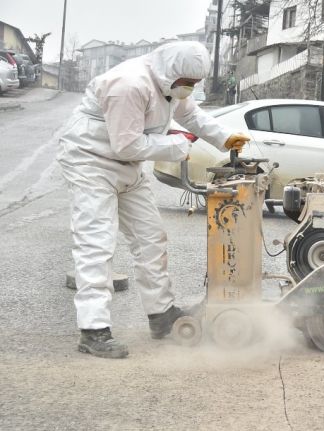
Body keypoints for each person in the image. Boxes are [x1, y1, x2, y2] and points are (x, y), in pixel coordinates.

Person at [57, 41, 251, 359]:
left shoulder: (168, 84)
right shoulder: (128, 85)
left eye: (195, 84)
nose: (190, 89)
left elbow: (190, 114)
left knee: (151, 238)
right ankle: (94, 330)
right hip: (90, 162)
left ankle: (161, 316)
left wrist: (224, 137)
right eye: (188, 84)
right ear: (172, 73)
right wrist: (176, 146)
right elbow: (127, 145)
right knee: (97, 243)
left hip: (126, 167)